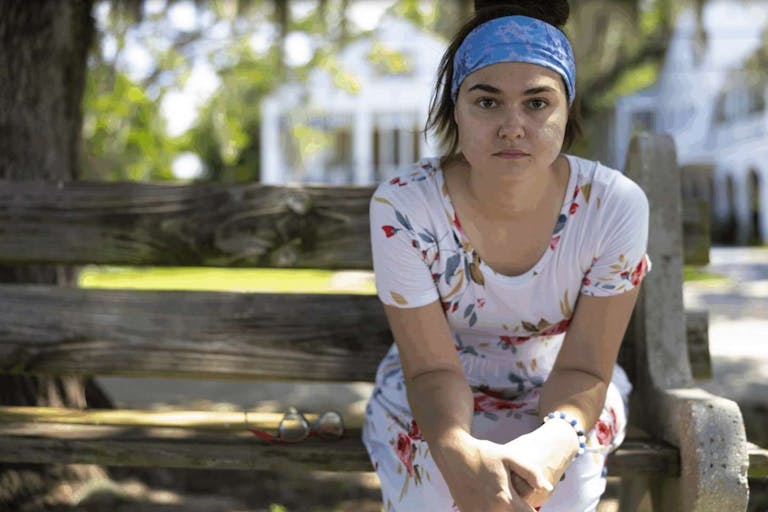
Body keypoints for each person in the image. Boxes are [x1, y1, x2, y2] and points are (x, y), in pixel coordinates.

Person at [361, 2, 651, 511]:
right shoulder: (404, 207)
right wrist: (458, 458)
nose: (512, 126)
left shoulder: (612, 207)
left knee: (554, 493)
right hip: (433, 395)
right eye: (487, 102)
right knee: (436, 492)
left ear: (567, 110)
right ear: (456, 109)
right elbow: (430, 371)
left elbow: (585, 369)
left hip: (567, 392)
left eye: (537, 103)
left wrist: (555, 442)